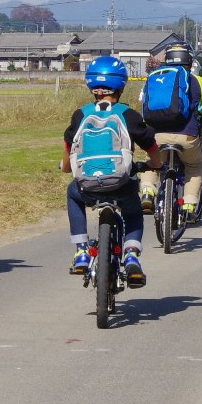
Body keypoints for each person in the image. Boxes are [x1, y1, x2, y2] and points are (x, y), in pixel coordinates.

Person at [62, 56, 163, 286]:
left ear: (91, 85)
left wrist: (67, 167)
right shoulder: (128, 115)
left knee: (72, 192)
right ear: (121, 84)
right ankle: (131, 256)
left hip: (88, 187)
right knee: (134, 212)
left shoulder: (81, 114)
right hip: (120, 185)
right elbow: (151, 145)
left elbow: (68, 156)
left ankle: (81, 252)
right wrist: (155, 164)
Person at [138, 44, 202, 222]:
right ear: (189, 61)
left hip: (156, 135)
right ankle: (189, 205)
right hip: (187, 135)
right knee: (194, 167)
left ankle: (148, 191)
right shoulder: (198, 81)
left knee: (153, 163)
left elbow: (144, 106)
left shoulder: (155, 77)